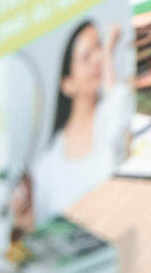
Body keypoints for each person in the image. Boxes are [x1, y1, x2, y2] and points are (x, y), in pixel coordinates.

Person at [27, 16, 133, 223]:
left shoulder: (112, 115)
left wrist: (108, 55)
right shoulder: (46, 167)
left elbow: (119, 105)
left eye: (99, 48)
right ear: (67, 84)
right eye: (86, 56)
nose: (98, 58)